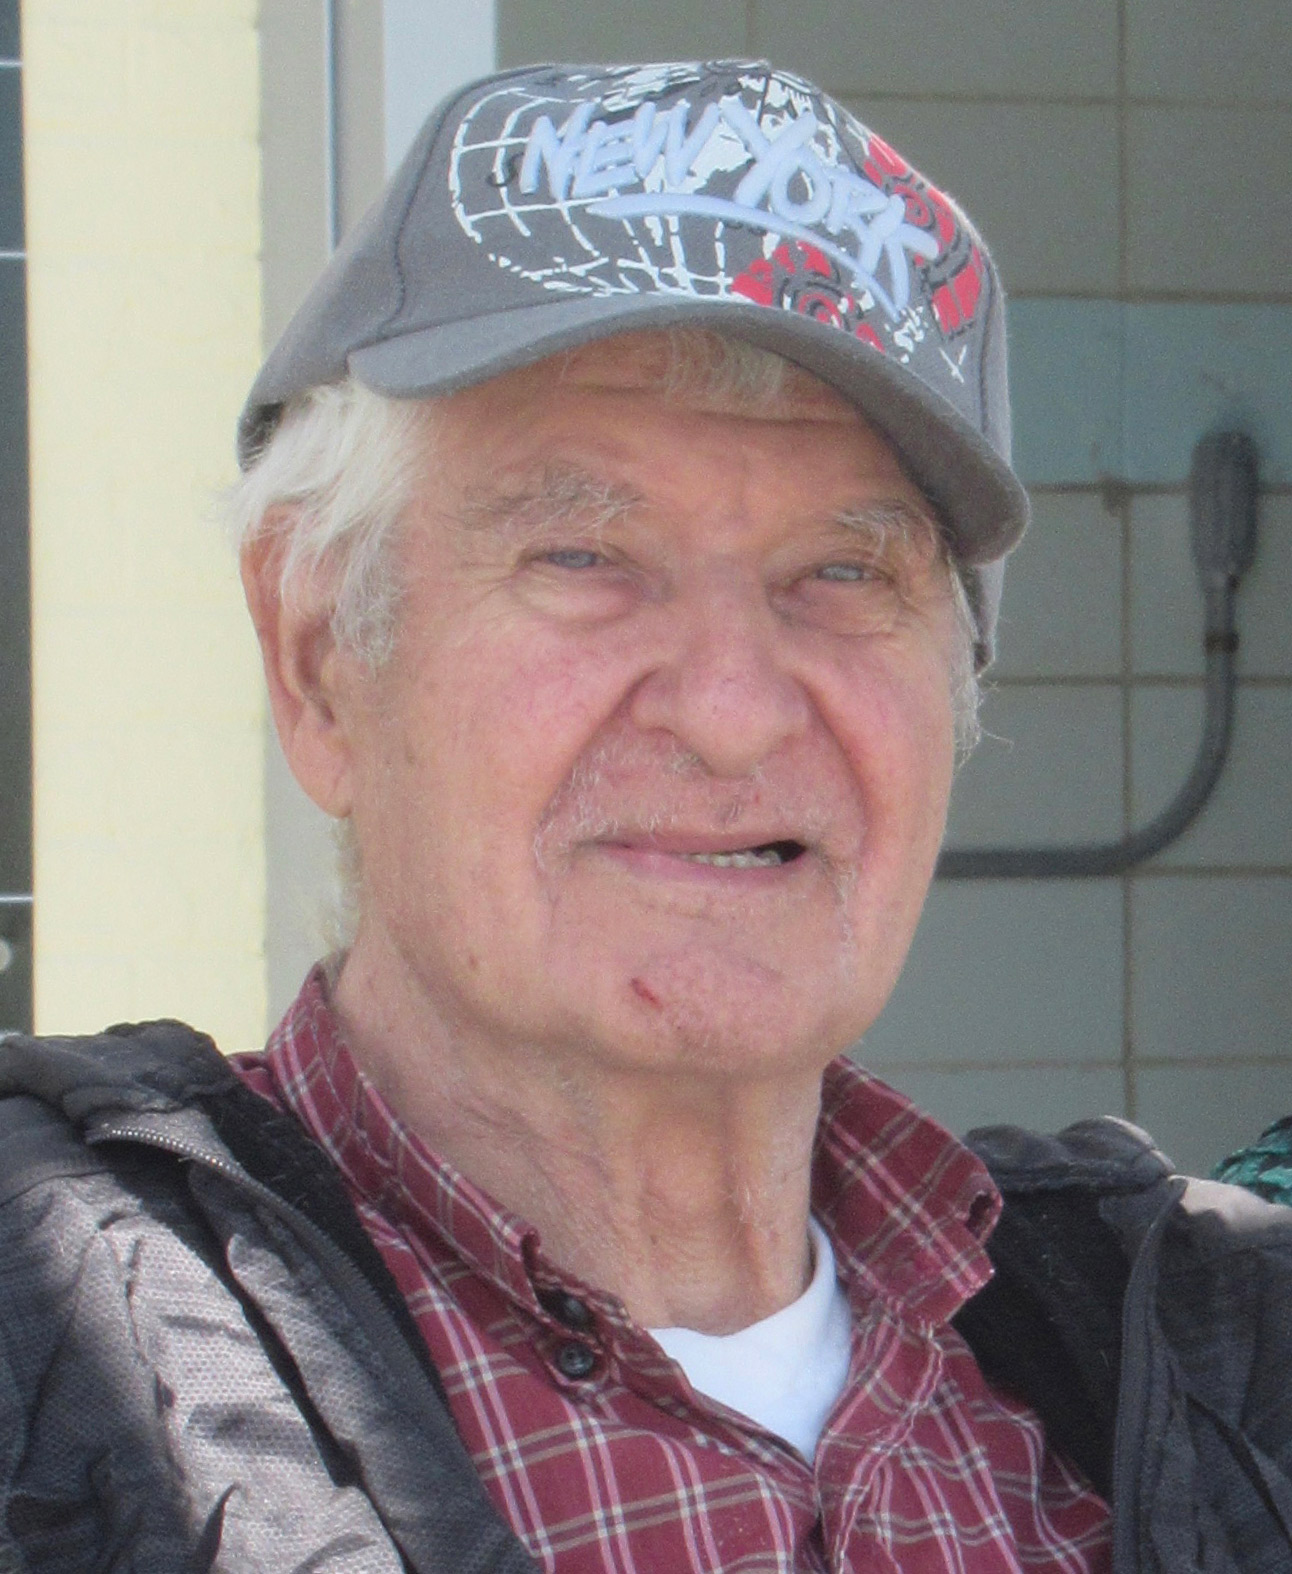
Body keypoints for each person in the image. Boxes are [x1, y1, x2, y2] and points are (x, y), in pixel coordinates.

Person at [0, 60, 1288, 1573]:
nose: (734, 705)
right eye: (584, 552)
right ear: (317, 655)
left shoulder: (1207, 1352)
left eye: (846, 571)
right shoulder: (62, 1371)